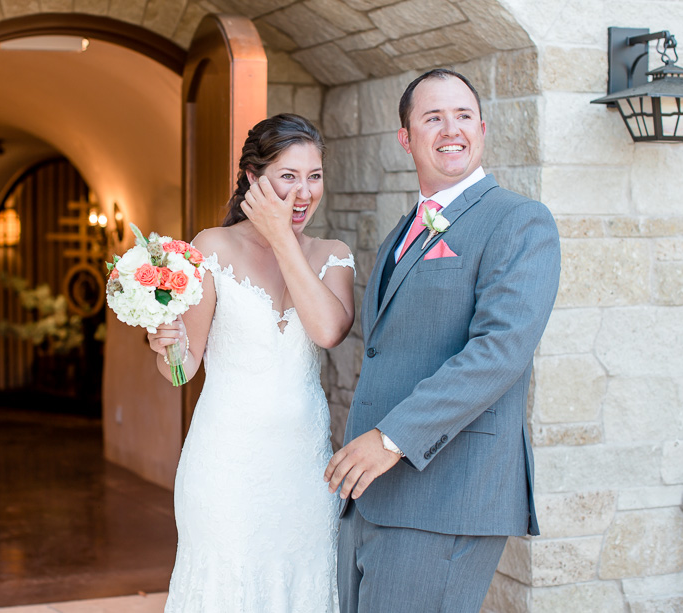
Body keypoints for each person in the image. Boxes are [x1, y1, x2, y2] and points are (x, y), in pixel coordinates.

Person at [324, 69, 561, 612]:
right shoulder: (399, 233)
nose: (449, 128)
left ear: (482, 127)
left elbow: (500, 350)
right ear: (406, 138)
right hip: (373, 497)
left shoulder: (520, 221)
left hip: (447, 493)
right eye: (432, 117)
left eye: (462, 116)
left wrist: (389, 439)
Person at [147, 113, 356, 612]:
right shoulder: (211, 247)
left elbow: (328, 331)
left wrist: (283, 238)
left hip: (305, 470)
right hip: (224, 467)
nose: (304, 192)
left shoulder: (332, 254)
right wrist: (166, 345)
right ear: (252, 179)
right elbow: (183, 369)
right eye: (288, 176)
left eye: (314, 176)